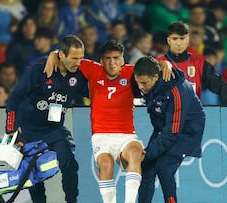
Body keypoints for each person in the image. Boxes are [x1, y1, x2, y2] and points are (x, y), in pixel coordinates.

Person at [44, 39, 173, 203]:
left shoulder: (131, 72)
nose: (112, 63)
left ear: (123, 60)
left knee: (136, 154)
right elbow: (67, 57)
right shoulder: (92, 69)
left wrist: (166, 65)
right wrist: (53, 55)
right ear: (101, 61)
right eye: (108, 58)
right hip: (101, 136)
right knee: (105, 164)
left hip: (127, 135)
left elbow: (155, 65)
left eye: (116, 58)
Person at [5, 35, 89, 203]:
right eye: (74, 58)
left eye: (81, 58)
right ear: (62, 55)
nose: (78, 62)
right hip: (29, 130)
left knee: (70, 164)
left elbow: (96, 92)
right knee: (33, 175)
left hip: (54, 130)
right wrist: (11, 129)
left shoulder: (79, 74)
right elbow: (14, 98)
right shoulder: (39, 70)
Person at [133, 56, 206, 203]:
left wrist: (147, 153)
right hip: (164, 126)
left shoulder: (177, 92)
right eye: (138, 82)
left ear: (155, 77)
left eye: (144, 83)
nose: (140, 87)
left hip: (186, 131)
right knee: (146, 168)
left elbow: (173, 132)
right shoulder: (151, 78)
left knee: (164, 167)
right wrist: (163, 63)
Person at [158, 21, 227, 105]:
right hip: (165, 117)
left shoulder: (199, 63)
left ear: (188, 40)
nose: (179, 43)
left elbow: (218, 84)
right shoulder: (159, 64)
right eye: (175, 39)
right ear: (168, 40)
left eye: (182, 38)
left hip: (191, 116)